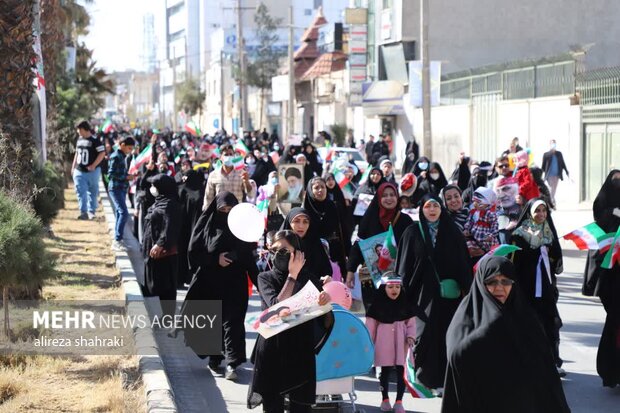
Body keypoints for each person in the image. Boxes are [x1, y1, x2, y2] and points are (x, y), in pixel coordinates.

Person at [441, 256, 571, 413]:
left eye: (506, 281)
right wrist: (485, 335)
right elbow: (456, 354)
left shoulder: (524, 316)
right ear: (481, 283)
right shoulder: (467, 315)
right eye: (491, 282)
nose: (499, 288)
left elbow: (544, 368)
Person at [247, 230, 332, 413]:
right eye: (276, 250)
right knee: (272, 407)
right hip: (272, 350)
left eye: (285, 250)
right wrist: (292, 276)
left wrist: (326, 304)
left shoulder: (310, 280)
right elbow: (276, 309)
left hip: (300, 351)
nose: (280, 255)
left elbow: (325, 324)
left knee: (301, 407)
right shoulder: (265, 278)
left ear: (298, 253)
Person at [395, 194, 473, 392]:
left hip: (448, 296)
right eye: (428, 206)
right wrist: (401, 294)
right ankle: (424, 377)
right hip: (422, 295)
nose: (432, 210)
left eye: (436, 206)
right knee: (424, 334)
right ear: (421, 209)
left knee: (448, 333)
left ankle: (446, 379)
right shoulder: (412, 232)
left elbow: (463, 263)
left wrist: (467, 290)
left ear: (441, 209)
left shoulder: (452, 232)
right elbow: (404, 265)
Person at [183, 191, 259, 380]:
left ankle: (233, 362)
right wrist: (215, 259)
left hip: (235, 282)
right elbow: (194, 255)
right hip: (210, 281)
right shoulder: (206, 226)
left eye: (230, 210)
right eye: (222, 210)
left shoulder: (242, 230)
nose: (225, 213)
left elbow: (249, 258)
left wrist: (263, 285)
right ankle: (215, 358)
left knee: (233, 322)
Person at [511, 198, 565, 376]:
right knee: (530, 323)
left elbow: (556, 257)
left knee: (549, 323)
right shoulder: (520, 233)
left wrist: (549, 253)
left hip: (547, 287)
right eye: (537, 211)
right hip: (528, 287)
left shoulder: (548, 230)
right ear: (529, 213)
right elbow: (516, 262)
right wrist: (537, 251)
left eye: (544, 211)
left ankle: (552, 362)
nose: (541, 214)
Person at [346, 182, 413, 311]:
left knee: (395, 317)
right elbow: (358, 245)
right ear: (378, 198)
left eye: (392, 195)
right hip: (371, 278)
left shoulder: (405, 221)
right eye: (385, 195)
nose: (389, 198)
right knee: (373, 316)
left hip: (396, 279)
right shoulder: (369, 218)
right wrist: (350, 270)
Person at [582, 169, 620, 387]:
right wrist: (612, 214)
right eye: (615, 180)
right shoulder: (603, 203)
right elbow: (599, 220)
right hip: (610, 273)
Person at [365, 273, 416, 413]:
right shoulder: (376, 307)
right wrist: (369, 343)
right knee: (385, 372)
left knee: (401, 372)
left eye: (398, 287)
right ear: (383, 288)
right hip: (384, 343)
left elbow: (411, 323)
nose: (395, 290)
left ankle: (399, 401)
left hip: (402, 342)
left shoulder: (405, 304)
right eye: (390, 287)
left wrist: (411, 336)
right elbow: (370, 327)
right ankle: (385, 399)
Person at [141, 174, 181, 322]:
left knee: (167, 287)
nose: (152, 189)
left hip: (165, 252)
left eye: (155, 186)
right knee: (158, 283)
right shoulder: (159, 201)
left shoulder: (171, 204)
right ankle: (166, 315)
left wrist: (160, 244)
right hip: (154, 249)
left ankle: (168, 317)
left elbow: (170, 227)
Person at [303, 177, 347, 273]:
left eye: (323, 187)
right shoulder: (305, 210)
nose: (320, 190)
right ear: (310, 190)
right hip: (312, 255)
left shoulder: (332, 206)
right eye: (316, 188)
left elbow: (342, 232)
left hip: (333, 254)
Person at [281, 208, 333, 279]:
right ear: (289, 223)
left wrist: (326, 278)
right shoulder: (280, 245)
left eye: (305, 222)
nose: (301, 226)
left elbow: (326, 271)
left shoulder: (315, 245)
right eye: (296, 221)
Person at [176, 168, 205, 287]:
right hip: (194, 228)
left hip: (182, 227)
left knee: (183, 252)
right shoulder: (200, 191)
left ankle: (181, 279)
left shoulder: (181, 189)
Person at [72, 120, 106, 220]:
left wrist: (94, 165)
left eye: (79, 130)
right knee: (80, 191)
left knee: (92, 192)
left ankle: (91, 212)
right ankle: (83, 212)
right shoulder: (79, 139)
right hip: (79, 171)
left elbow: (102, 153)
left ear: (83, 129)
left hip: (93, 172)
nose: (78, 132)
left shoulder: (95, 140)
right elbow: (77, 153)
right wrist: (74, 166)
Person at [203, 144, 254, 209]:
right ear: (220, 157)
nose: (229, 157)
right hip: (220, 211)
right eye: (226, 155)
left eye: (231, 154)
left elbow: (250, 195)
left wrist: (246, 181)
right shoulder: (213, 175)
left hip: (236, 211)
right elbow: (208, 197)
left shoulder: (241, 173)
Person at [107, 136, 136, 251]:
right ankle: (117, 240)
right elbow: (111, 174)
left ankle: (118, 238)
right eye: (129, 148)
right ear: (122, 145)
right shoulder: (115, 156)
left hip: (122, 188)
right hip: (115, 188)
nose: (130, 150)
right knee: (124, 213)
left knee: (120, 213)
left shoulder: (123, 156)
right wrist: (126, 177)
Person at [463, 187, 499, 258]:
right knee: (470, 245)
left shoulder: (490, 213)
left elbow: (495, 225)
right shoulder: (473, 212)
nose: (475, 204)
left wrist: (491, 235)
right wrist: (467, 229)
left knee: (492, 251)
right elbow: (469, 221)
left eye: (479, 202)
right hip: (475, 237)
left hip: (487, 239)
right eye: (474, 201)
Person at [541, 139, 569, 205]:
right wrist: (541, 175)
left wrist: (567, 172)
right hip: (549, 175)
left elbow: (563, 163)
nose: (553, 145)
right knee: (551, 188)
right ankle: (552, 201)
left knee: (554, 188)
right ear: (549, 144)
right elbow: (543, 165)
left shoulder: (559, 154)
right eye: (552, 143)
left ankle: (552, 200)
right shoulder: (546, 154)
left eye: (554, 143)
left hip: (557, 175)